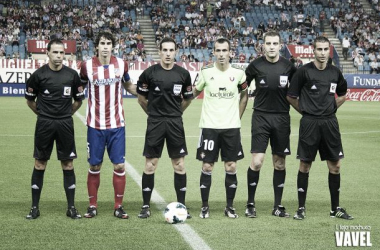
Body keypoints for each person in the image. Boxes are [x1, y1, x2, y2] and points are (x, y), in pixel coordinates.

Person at [287, 36, 353, 220]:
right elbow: (291, 96)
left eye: (326, 49)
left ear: (329, 50)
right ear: (313, 51)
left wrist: (330, 109)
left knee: (335, 166)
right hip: (309, 123)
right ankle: (301, 208)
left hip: (330, 123)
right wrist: (306, 111)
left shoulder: (335, 72)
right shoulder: (303, 72)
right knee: (305, 165)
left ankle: (335, 209)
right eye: (319, 49)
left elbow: (343, 95)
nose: (323, 53)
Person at [80, 31, 137, 219]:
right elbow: (78, 89)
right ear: (96, 46)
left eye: (108, 43)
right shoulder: (86, 66)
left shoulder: (122, 64)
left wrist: (147, 94)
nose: (105, 46)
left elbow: (129, 86)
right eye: (102, 43)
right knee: (95, 166)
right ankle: (92, 205)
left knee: (119, 166)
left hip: (117, 125)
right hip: (95, 126)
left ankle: (118, 206)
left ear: (113, 46)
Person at [25, 39, 84, 219]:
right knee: (40, 163)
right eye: (55, 52)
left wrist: (65, 114)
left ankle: (71, 207)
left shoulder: (72, 75)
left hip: (65, 123)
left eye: (62, 53)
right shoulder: (38, 75)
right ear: (48, 53)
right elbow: (30, 100)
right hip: (45, 123)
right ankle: (34, 208)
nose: (59, 56)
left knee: (68, 163)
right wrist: (44, 115)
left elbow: (78, 100)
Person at [136, 37, 193, 219]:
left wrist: (176, 113)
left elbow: (187, 98)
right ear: (159, 52)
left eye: (171, 50)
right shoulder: (149, 73)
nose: (168, 53)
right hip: (155, 122)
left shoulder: (183, 74)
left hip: (175, 122)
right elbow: (141, 99)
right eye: (165, 50)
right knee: (150, 164)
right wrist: (153, 115)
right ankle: (145, 206)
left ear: (176, 52)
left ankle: (182, 206)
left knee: (179, 164)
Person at [193, 37, 248, 219]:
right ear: (214, 52)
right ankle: (204, 206)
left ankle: (230, 207)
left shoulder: (239, 74)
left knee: (231, 166)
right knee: (207, 166)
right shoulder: (206, 72)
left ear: (230, 52)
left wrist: (236, 117)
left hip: (231, 128)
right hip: (209, 127)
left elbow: (244, 96)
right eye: (219, 50)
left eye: (225, 50)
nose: (222, 54)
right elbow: (193, 92)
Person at [244, 31, 297, 218]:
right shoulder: (255, 66)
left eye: (275, 43)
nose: (272, 46)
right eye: (268, 43)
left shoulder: (289, 67)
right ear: (263, 45)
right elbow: (242, 88)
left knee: (280, 163)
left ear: (281, 45)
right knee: (257, 161)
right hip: (261, 117)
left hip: (282, 118)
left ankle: (278, 205)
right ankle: (250, 204)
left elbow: (297, 91)